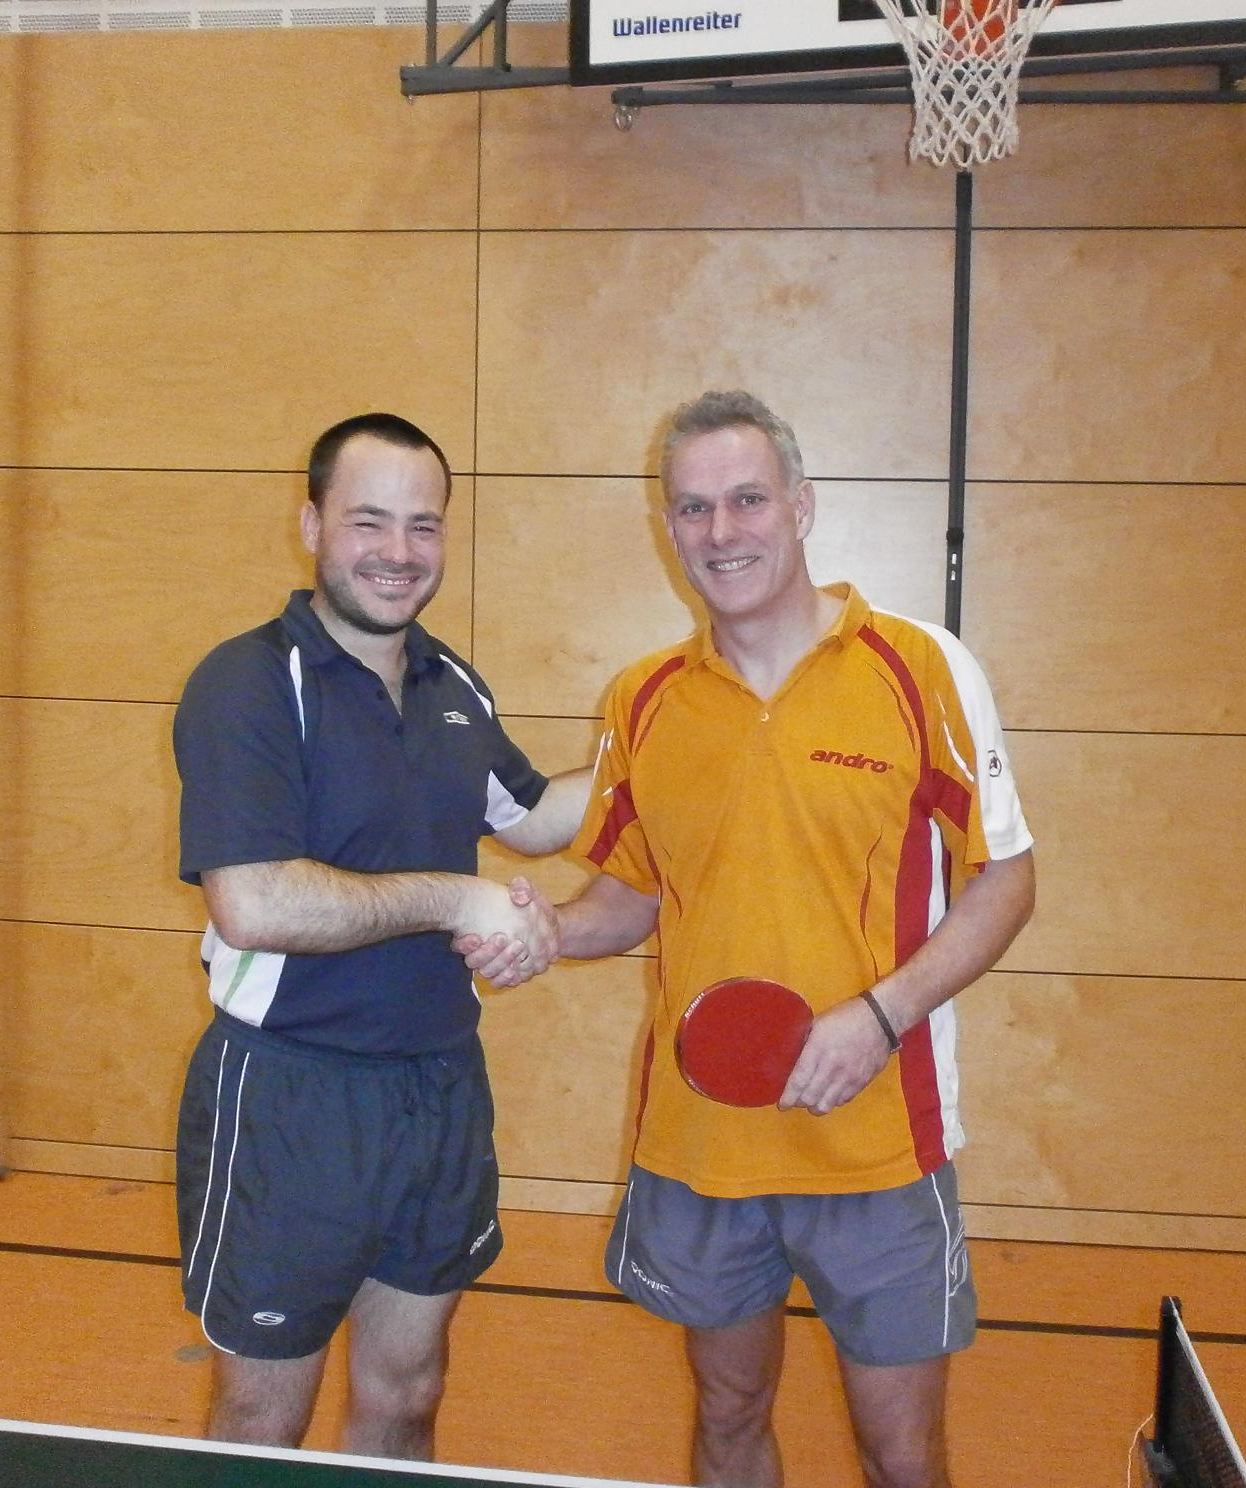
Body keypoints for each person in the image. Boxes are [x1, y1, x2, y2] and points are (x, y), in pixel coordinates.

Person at [517, 390, 1036, 1488]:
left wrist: (880, 1016)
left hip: (878, 1140)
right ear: (668, 526)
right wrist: (539, 933)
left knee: (902, 1454)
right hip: (703, 1144)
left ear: (801, 507)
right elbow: (629, 897)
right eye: (692, 508)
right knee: (728, 1414)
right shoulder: (643, 700)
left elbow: (1006, 879)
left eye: (747, 500)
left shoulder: (920, 668)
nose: (721, 531)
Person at [171, 412, 584, 1457]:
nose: (398, 551)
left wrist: (667, 736)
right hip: (291, 1097)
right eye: (369, 521)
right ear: (313, 525)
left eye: (422, 525)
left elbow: (536, 817)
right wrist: (456, 901)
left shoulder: (455, 684)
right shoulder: (248, 682)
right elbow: (254, 902)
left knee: (408, 1392)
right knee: (262, 1415)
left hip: (438, 1091)